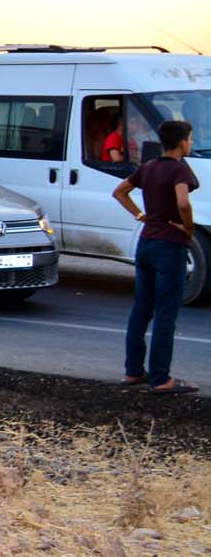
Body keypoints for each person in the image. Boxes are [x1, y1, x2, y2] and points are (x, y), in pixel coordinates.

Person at [114, 119, 198, 394]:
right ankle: (162, 378)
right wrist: (188, 226)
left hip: (146, 243)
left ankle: (133, 372)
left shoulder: (148, 167)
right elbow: (183, 201)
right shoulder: (179, 170)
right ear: (182, 141)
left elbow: (119, 192)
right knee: (165, 313)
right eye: (191, 138)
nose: (192, 143)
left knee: (141, 309)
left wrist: (140, 214)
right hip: (169, 246)